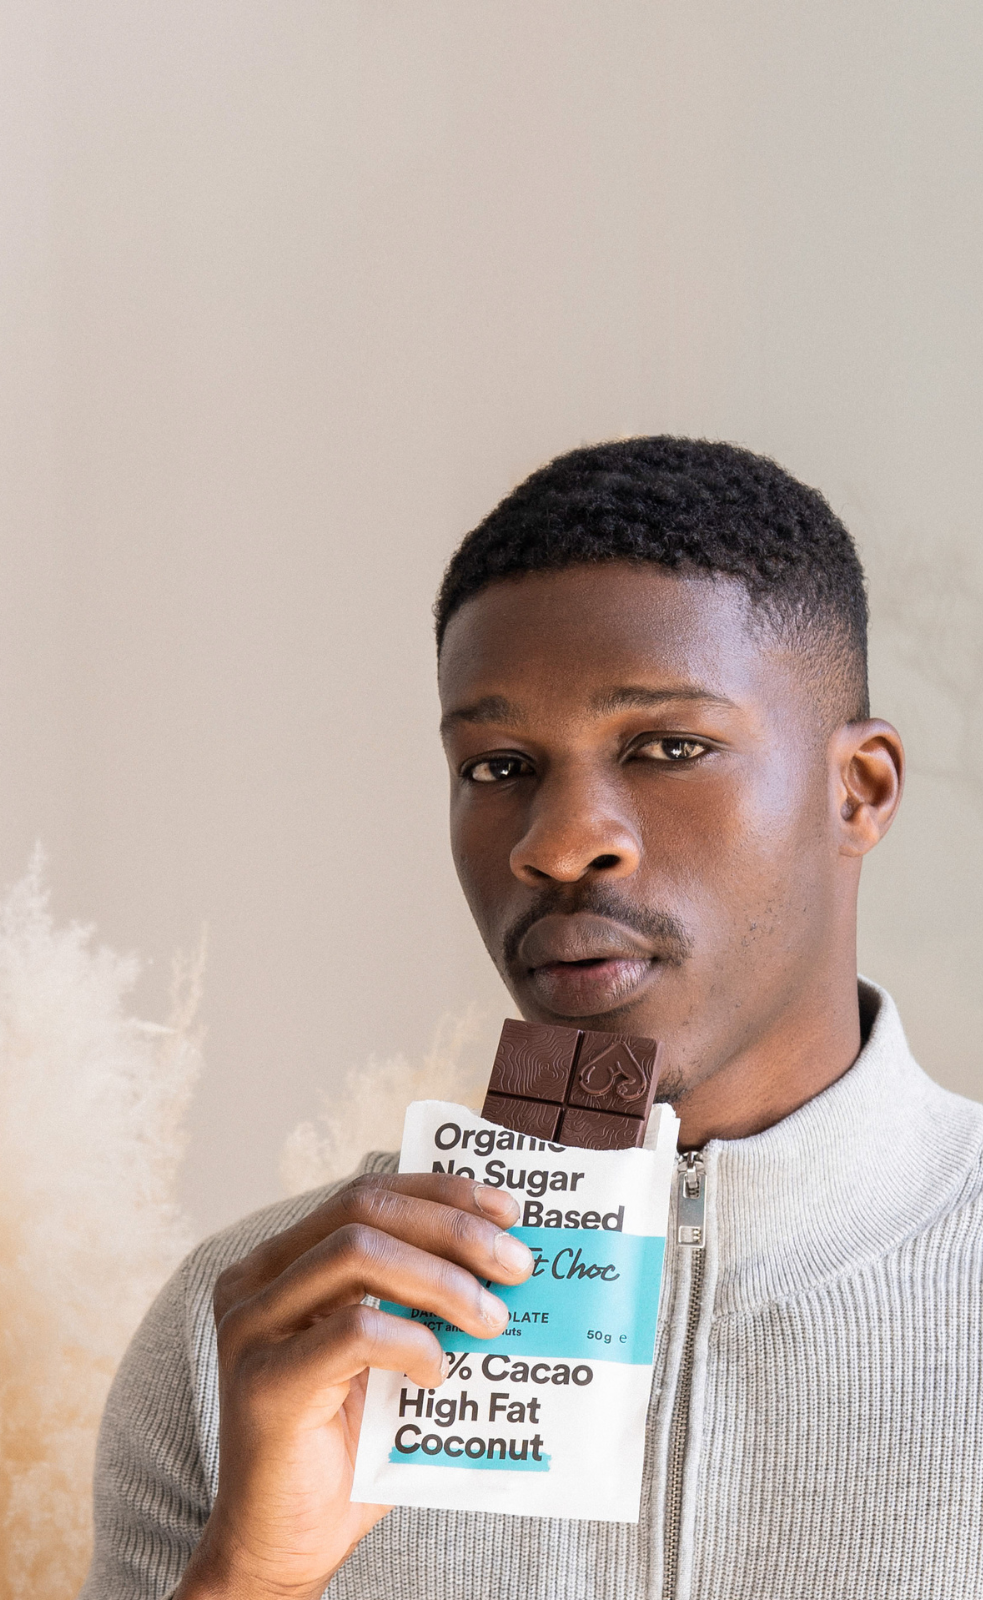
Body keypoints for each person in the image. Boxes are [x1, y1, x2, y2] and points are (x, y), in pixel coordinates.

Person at [79, 438, 983, 1600]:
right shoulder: (263, 1332)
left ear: (858, 790)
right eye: (498, 766)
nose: (556, 843)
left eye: (668, 747)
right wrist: (251, 1573)